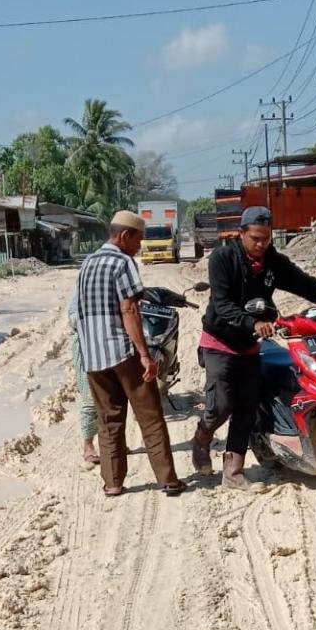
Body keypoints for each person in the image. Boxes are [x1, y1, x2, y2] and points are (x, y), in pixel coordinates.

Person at [191, 206, 316, 491]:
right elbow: (221, 304)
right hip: (220, 342)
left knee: (246, 406)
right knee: (221, 405)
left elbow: (307, 285)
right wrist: (252, 323)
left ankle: (233, 472)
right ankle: (203, 435)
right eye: (255, 238)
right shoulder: (222, 258)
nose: (261, 245)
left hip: (249, 345)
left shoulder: (272, 262)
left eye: (266, 239)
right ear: (241, 233)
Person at [76, 210, 186, 498]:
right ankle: (169, 481)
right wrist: (145, 355)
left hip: (93, 356)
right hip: (122, 352)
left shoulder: (87, 262)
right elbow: (129, 309)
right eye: (138, 240)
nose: (139, 247)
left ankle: (113, 483)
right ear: (124, 236)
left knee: (109, 420)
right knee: (150, 416)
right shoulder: (122, 262)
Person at [67, 291, 99, 466]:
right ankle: (88, 445)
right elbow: (74, 319)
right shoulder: (81, 292)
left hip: (111, 350)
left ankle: (115, 443)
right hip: (86, 351)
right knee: (89, 400)